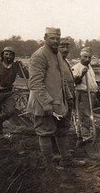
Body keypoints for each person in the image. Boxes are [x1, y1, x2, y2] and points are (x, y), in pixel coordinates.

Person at [27, 27, 75, 169]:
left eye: (57, 38)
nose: (55, 41)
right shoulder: (39, 56)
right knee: (45, 132)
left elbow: (62, 79)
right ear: (45, 38)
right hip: (43, 103)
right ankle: (49, 167)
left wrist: (69, 96)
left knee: (62, 131)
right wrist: (47, 104)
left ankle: (66, 160)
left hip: (59, 102)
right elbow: (35, 83)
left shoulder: (57, 55)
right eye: (52, 38)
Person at [0, 46, 29, 139]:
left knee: (10, 111)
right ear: (2, 55)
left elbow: (26, 75)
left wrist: (23, 66)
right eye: (6, 54)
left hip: (8, 93)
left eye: (11, 54)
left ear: (14, 56)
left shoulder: (16, 66)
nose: (8, 56)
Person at [71, 47, 99, 144]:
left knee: (87, 115)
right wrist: (82, 74)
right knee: (85, 116)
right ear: (80, 57)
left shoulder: (89, 67)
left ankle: (80, 135)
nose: (87, 59)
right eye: (85, 57)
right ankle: (86, 137)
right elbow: (75, 82)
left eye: (89, 57)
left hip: (91, 93)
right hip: (83, 94)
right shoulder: (76, 67)